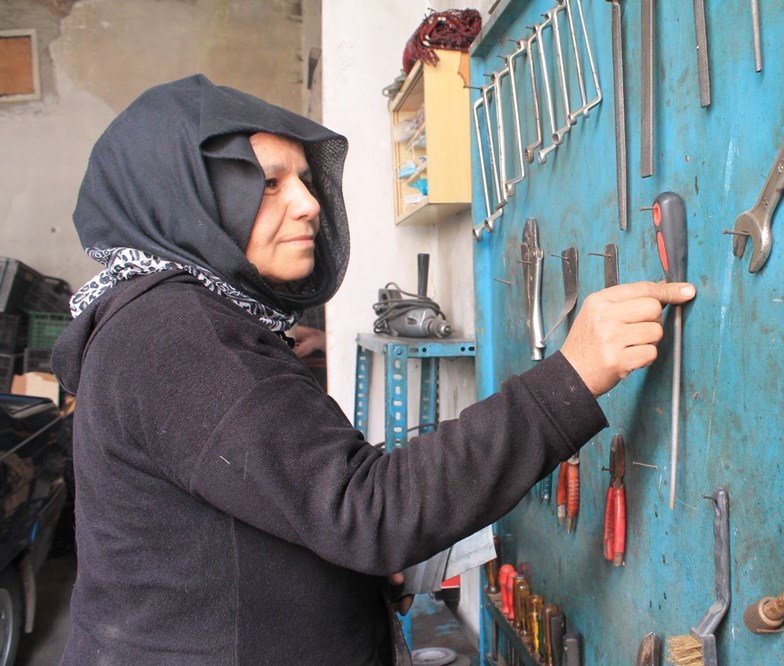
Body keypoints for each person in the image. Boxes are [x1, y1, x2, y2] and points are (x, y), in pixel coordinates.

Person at [51, 75, 696, 665]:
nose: (307, 204)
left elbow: (289, 503)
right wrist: (571, 377)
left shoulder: (177, 321)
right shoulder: (175, 333)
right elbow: (366, 509)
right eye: (269, 182)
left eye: (303, 180)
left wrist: (341, 572)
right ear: (184, 200)